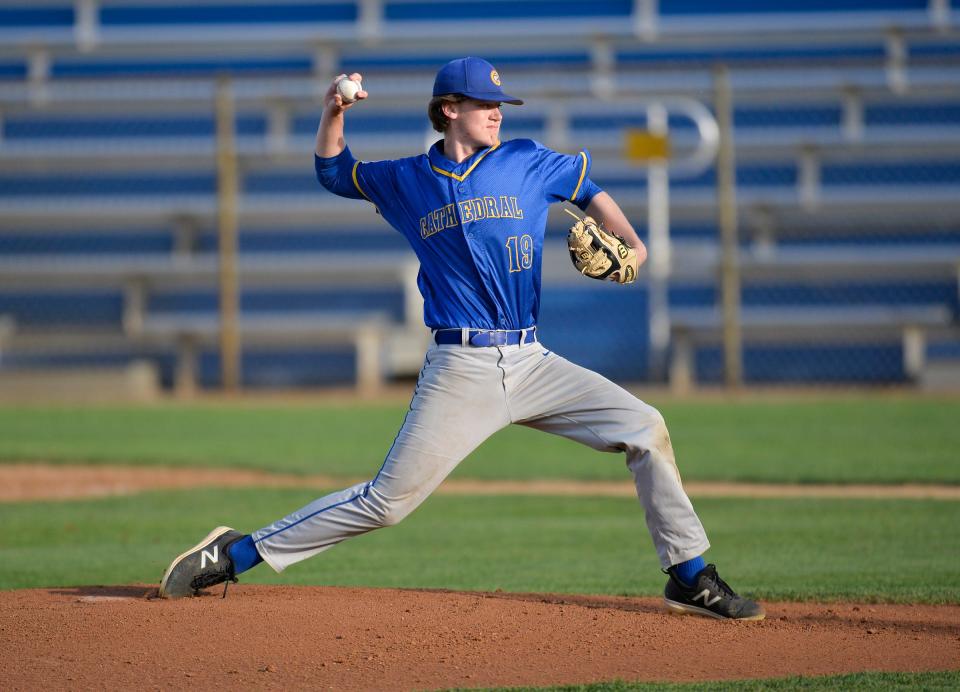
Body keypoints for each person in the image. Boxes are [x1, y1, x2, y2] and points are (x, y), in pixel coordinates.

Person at [159, 57, 764, 621]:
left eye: (501, 103)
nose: (498, 112)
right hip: (461, 367)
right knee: (387, 502)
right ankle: (234, 555)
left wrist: (632, 242)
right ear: (449, 109)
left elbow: (589, 189)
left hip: (532, 360)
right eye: (484, 103)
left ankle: (689, 576)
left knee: (645, 428)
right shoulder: (410, 179)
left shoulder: (527, 158)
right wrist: (333, 111)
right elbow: (333, 172)